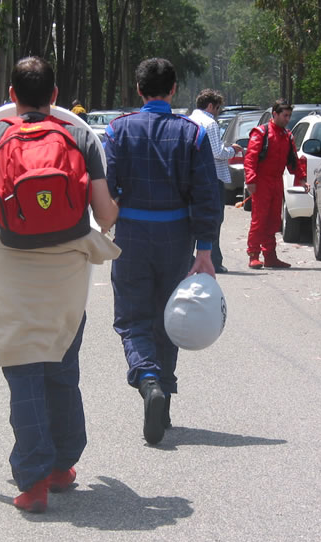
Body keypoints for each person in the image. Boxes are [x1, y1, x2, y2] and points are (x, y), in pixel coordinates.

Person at [0, 56, 120, 513]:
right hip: (67, 276)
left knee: (23, 373)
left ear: (12, 95)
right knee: (61, 367)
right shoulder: (81, 136)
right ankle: (62, 465)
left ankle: (34, 481)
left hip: (11, 271)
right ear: (55, 96)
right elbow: (105, 214)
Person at [104, 57, 220, 445]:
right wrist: (205, 248)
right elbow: (206, 195)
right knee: (170, 317)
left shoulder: (118, 130)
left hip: (131, 236)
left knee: (133, 318)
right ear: (173, 90)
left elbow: (109, 187)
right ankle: (163, 399)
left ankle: (148, 379)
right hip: (176, 237)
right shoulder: (192, 134)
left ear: (138, 90)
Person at [243, 99, 308, 269]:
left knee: (273, 220)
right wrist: (251, 180)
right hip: (262, 182)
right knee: (259, 219)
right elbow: (250, 158)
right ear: (275, 114)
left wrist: (301, 179)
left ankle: (270, 256)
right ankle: (253, 255)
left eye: (289, 116)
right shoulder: (261, 132)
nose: (288, 119)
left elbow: (293, 160)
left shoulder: (287, 135)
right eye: (285, 115)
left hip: (277, 181)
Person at [189, 89, 242, 274]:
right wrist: (233, 150)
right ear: (211, 106)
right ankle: (213, 261)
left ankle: (189, 260)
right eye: (218, 108)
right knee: (214, 220)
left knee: (192, 219)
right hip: (212, 178)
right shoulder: (210, 123)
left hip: (192, 178)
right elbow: (217, 152)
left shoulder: (189, 120)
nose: (218, 112)